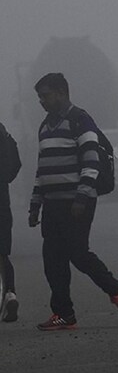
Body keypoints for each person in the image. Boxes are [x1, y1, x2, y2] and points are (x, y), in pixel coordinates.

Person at [28, 73, 118, 331]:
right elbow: (42, 169)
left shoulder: (80, 120)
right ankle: (64, 314)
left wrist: (82, 196)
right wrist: (35, 203)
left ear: (62, 93)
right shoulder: (44, 127)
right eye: (39, 97)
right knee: (52, 259)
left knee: (78, 254)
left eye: (46, 95)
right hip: (52, 204)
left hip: (77, 202)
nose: (42, 101)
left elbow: (91, 160)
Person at [1, 122, 22, 322]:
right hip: (2, 202)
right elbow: (15, 164)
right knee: (2, 253)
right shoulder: (4, 134)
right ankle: (10, 293)